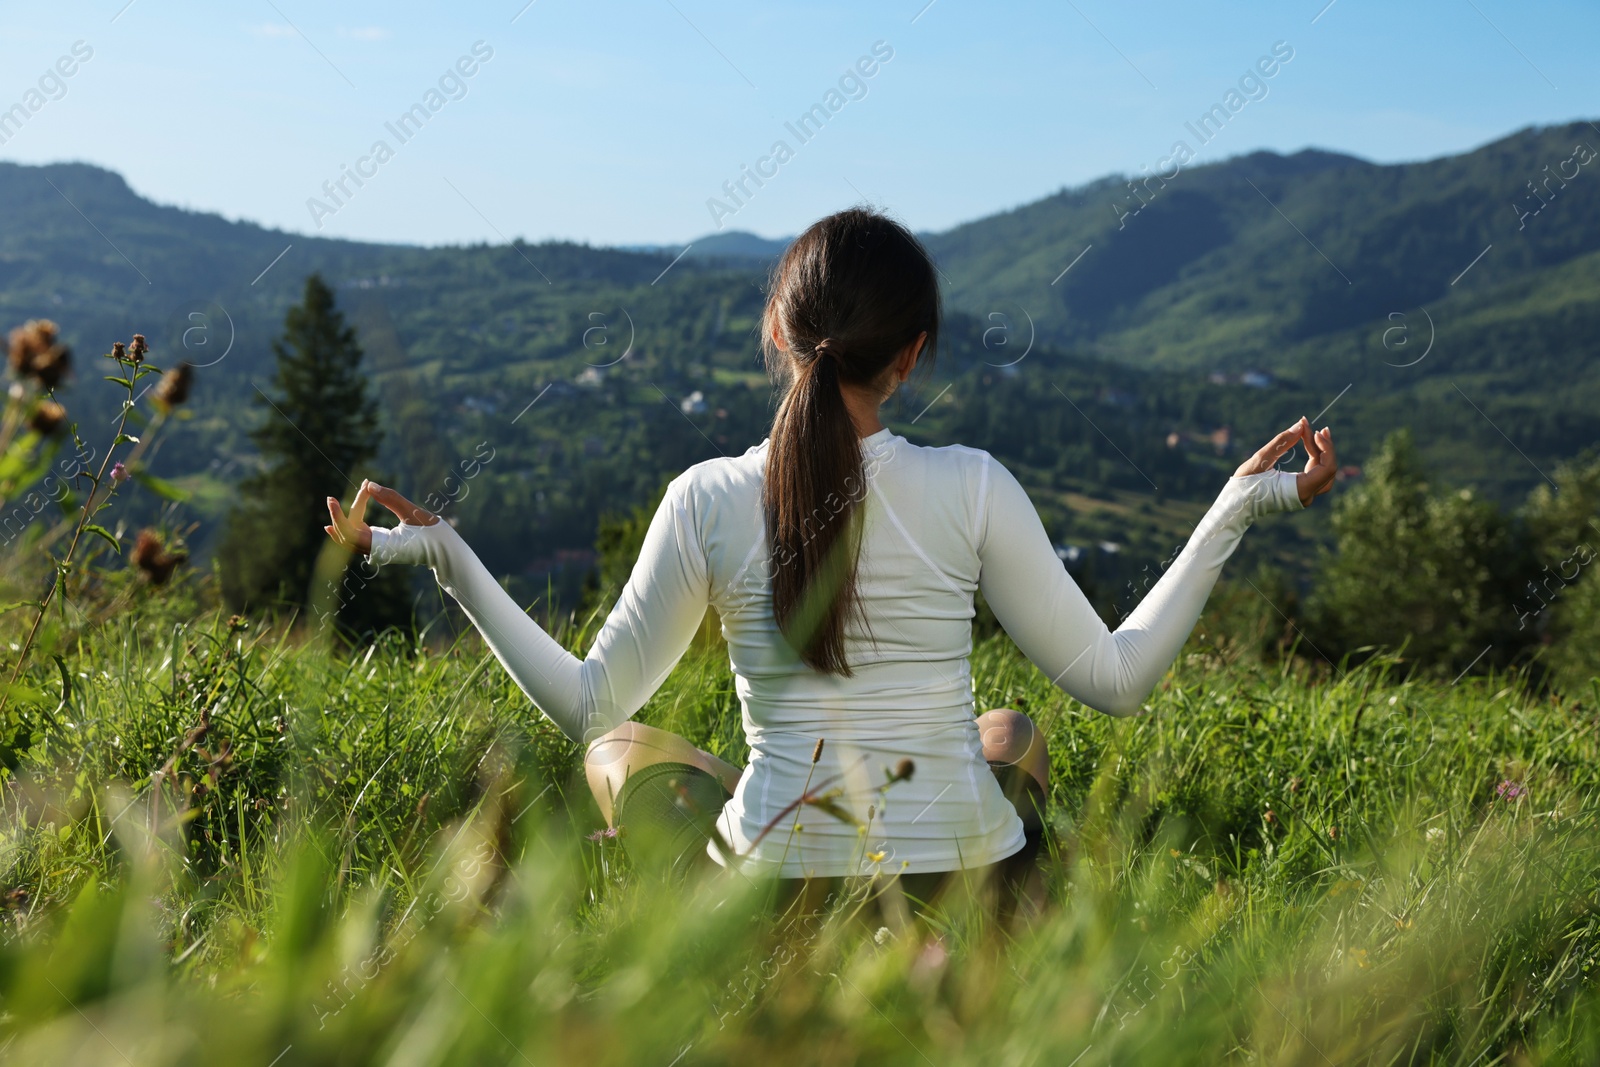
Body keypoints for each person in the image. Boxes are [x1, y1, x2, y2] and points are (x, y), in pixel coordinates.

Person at [323, 208, 1335, 914]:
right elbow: (1116, 680)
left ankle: (674, 837)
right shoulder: (973, 484)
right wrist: (1236, 505)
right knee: (1010, 731)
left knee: (616, 748)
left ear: (777, 331)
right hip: (974, 892)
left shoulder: (704, 497)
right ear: (912, 353)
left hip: (766, 896)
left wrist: (448, 555)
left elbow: (589, 701)